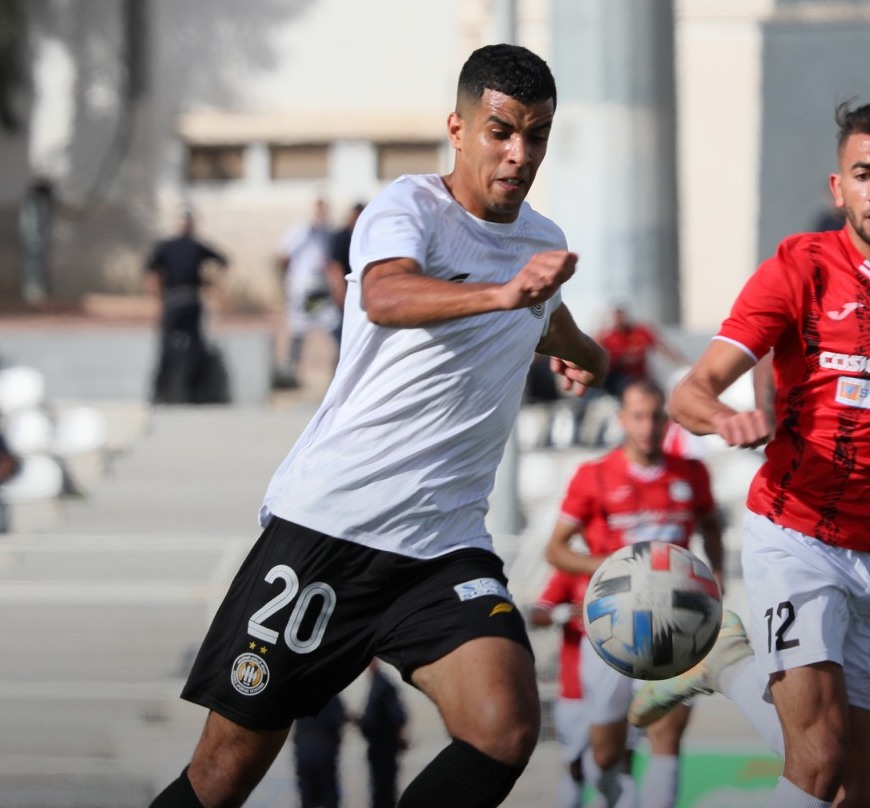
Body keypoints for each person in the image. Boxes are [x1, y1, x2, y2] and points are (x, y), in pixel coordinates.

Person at [147, 43, 606, 808]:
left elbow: (549, 317)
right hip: (333, 528)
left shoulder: (538, 244)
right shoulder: (407, 208)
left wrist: (583, 354)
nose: (519, 154)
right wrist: (501, 296)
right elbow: (387, 297)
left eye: (537, 135)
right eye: (501, 131)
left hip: (443, 547)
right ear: (457, 129)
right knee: (224, 771)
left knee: (505, 726)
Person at [630, 96, 870, 807]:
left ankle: (730, 662)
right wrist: (723, 418)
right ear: (838, 186)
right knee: (820, 756)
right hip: (799, 537)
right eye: (863, 172)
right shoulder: (799, 271)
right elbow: (691, 391)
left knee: (863, 793)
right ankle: (733, 664)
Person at [545, 378, 724, 808]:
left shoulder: (691, 473)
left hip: (675, 624)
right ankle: (607, 792)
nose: (648, 426)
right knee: (606, 754)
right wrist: (619, 570)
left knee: (667, 733)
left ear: (667, 419)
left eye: (656, 416)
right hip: (613, 627)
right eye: (638, 416)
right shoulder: (594, 476)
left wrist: (716, 582)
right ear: (622, 419)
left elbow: (712, 526)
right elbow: (555, 549)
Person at [144, 210, 229, 404]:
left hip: (177, 301)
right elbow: (224, 261)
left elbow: (150, 274)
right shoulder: (194, 246)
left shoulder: (171, 246)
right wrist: (212, 284)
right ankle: (188, 394)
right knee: (190, 347)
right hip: (186, 300)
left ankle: (161, 395)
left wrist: (158, 300)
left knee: (174, 348)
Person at [528, 569, 591, 808]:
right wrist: (565, 613)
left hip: (621, 689)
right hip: (575, 694)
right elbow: (537, 614)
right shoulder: (572, 570)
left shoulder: (630, 564)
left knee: (618, 765)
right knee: (574, 767)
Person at [274, 197, 337, 387]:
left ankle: (338, 368)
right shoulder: (304, 230)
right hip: (304, 289)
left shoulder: (326, 233)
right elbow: (282, 253)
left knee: (332, 323)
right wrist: (291, 280)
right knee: (301, 326)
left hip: (318, 288)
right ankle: (289, 372)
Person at [596, 306, 689, 398]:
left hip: (641, 376)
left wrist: (684, 364)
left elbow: (663, 348)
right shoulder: (608, 336)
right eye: (617, 317)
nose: (621, 320)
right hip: (619, 378)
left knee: (657, 393)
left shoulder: (640, 332)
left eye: (622, 316)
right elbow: (597, 353)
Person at [358, 661, 408, 808]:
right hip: (381, 745)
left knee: (384, 788)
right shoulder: (378, 685)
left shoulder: (381, 686)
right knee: (383, 787)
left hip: (383, 746)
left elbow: (396, 716)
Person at [292, 693, 347, 808]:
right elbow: (339, 718)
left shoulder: (301, 698)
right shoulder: (331, 696)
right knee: (328, 796)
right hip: (324, 753)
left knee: (307, 797)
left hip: (304, 754)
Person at [326, 202, 366, 344]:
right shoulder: (342, 237)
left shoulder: (365, 236)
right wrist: (340, 292)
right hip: (346, 291)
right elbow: (334, 267)